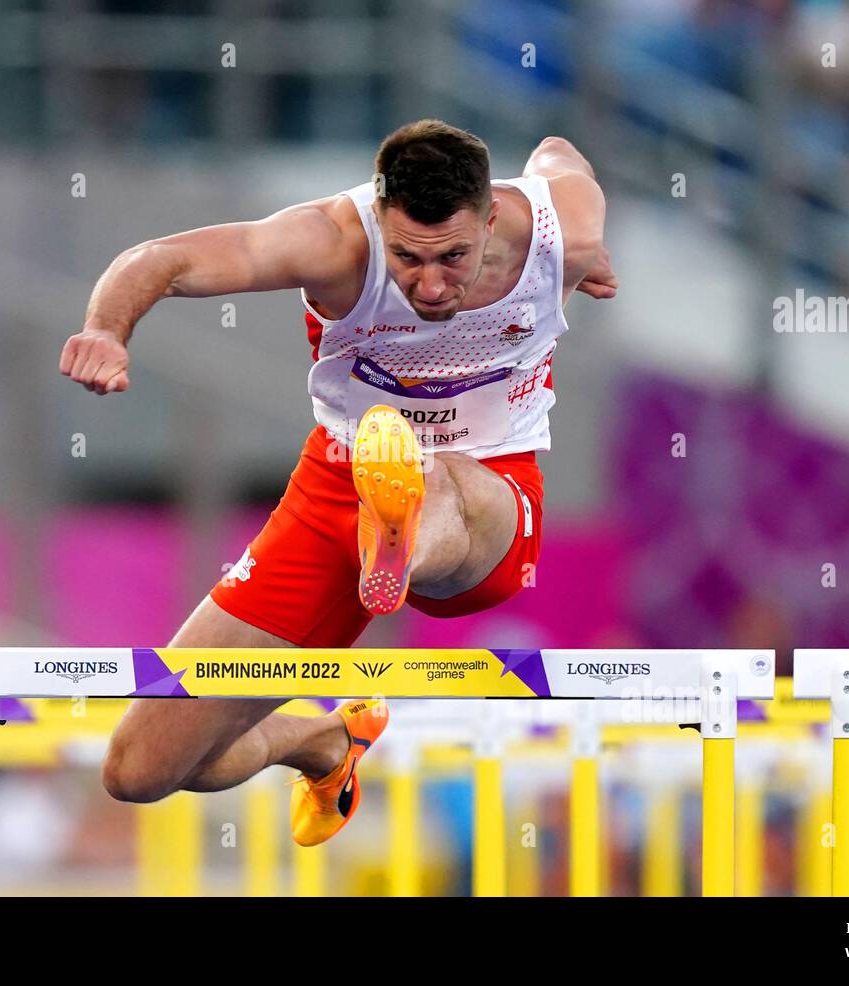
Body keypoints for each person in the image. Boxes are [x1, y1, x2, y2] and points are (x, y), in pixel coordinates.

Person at [60, 120, 616, 845]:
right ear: (379, 217)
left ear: (492, 216)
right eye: (408, 259)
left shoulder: (561, 225)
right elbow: (161, 258)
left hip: (491, 487)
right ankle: (323, 742)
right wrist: (106, 328)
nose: (431, 283)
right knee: (141, 770)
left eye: (454, 256)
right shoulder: (331, 240)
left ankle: (404, 534)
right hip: (340, 484)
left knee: (436, 479)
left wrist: (590, 246)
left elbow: (560, 152)